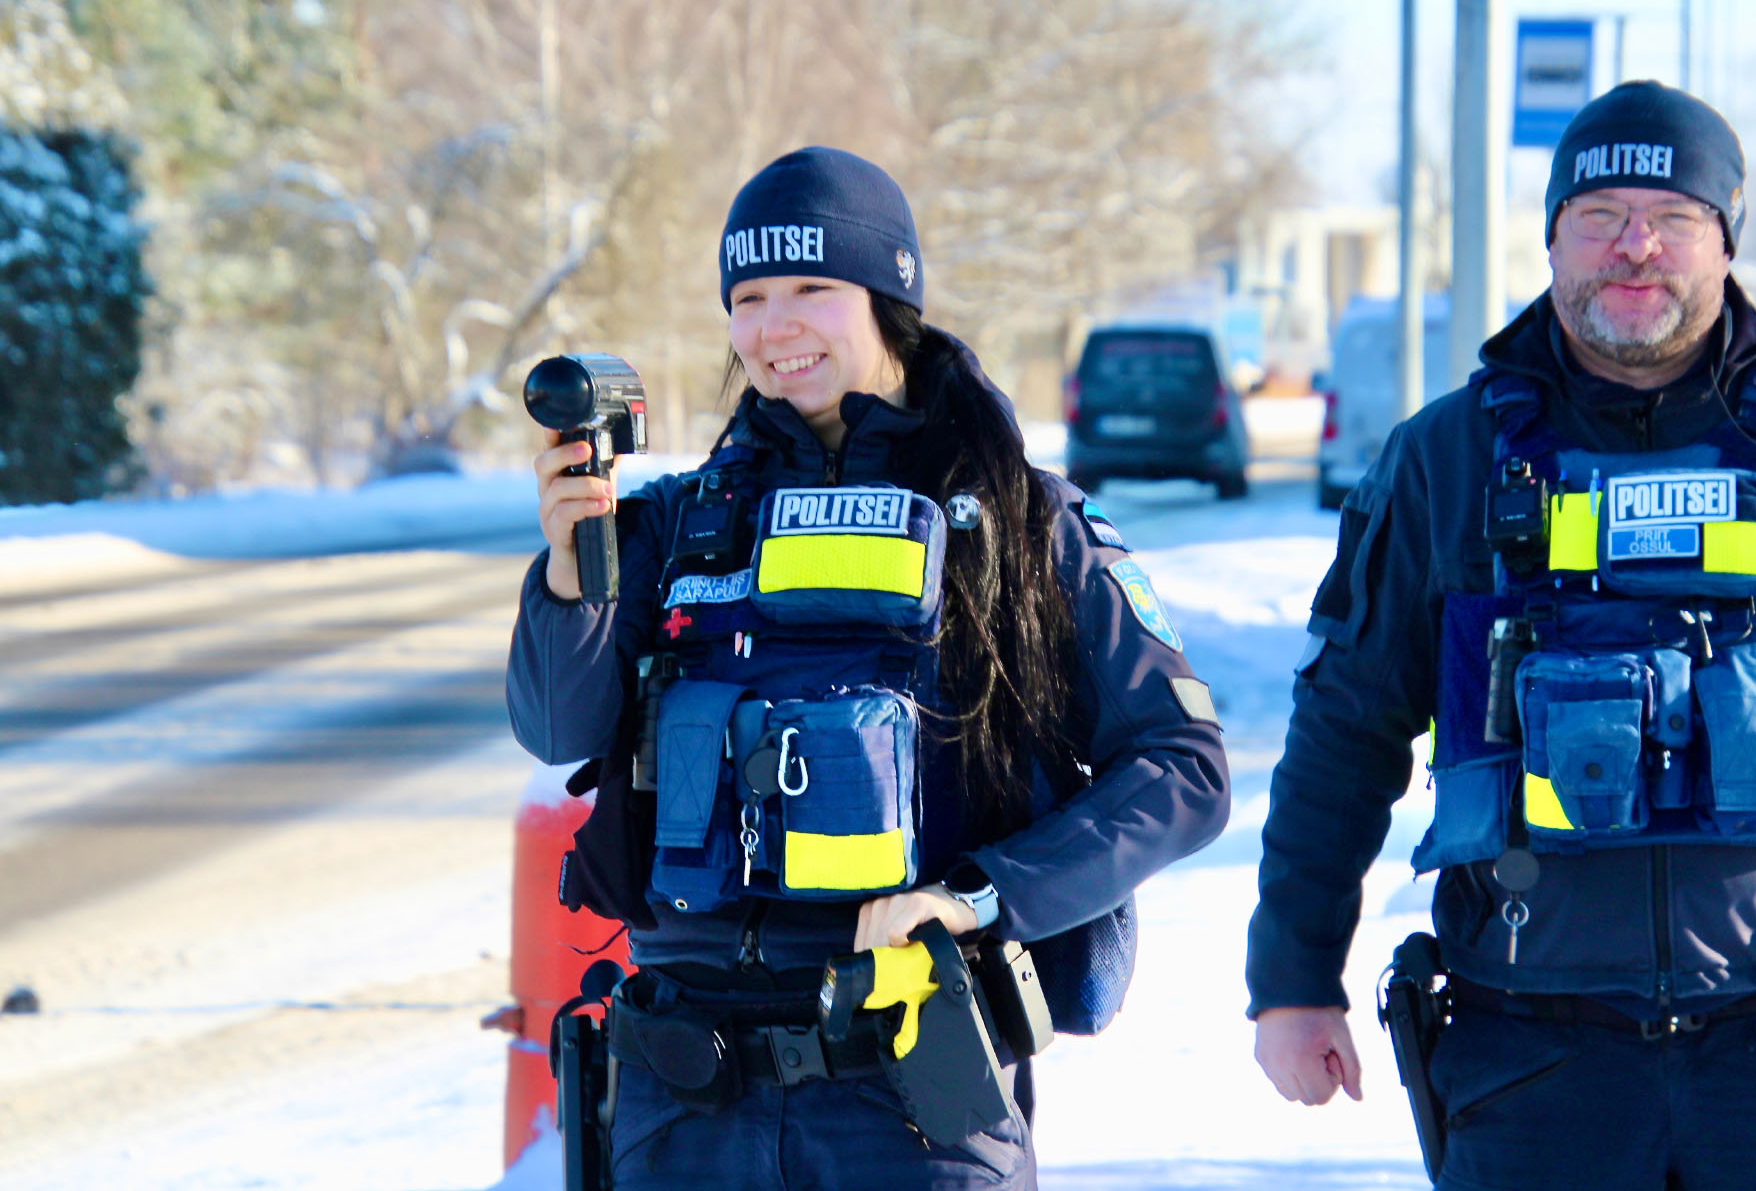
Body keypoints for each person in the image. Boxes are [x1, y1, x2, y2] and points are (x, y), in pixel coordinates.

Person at [1247, 81, 1756, 1191]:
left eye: (1672, 216)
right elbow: (1343, 726)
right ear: (1554, 234)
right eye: (1600, 214)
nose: (1635, 247)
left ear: (1726, 239)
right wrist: (1294, 975)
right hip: (1527, 1063)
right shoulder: (1446, 459)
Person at [506, 146, 1229, 1190]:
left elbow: (1183, 767)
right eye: (748, 296)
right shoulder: (670, 527)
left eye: (812, 287)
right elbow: (555, 726)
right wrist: (572, 572)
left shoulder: (1023, 524)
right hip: (683, 1101)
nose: (774, 325)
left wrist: (981, 896)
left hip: (912, 1095)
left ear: (891, 300)